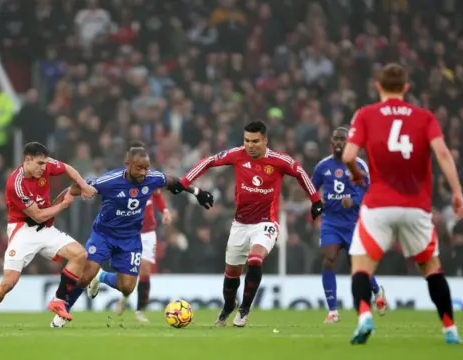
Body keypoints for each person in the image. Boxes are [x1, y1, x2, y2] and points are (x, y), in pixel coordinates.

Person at [343, 63, 463, 344]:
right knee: (431, 268)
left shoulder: (365, 115)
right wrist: (457, 191)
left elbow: (349, 153)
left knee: (361, 267)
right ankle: (450, 329)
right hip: (416, 206)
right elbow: (443, 154)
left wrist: (355, 172)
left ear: (378, 86)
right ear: (406, 88)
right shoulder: (424, 117)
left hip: (379, 205)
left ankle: (364, 316)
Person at [177, 120, 324, 327]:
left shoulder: (279, 160)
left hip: (265, 223)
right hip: (240, 224)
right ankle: (229, 306)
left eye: (255, 141)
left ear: (265, 140)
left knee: (255, 259)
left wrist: (316, 200)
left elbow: (300, 173)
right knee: (231, 275)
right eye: (247, 140)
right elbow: (209, 161)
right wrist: (185, 182)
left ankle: (244, 309)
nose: (250, 145)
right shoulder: (237, 155)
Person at [50, 147, 214, 328]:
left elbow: (175, 182)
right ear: (127, 165)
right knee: (86, 274)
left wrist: (198, 193)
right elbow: (73, 189)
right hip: (103, 234)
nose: (143, 172)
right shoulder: (110, 181)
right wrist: (51, 212)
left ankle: (102, 276)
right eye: (139, 168)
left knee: (127, 287)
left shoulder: (152, 178)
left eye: (146, 168)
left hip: (130, 239)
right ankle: (64, 312)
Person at [0, 142, 97, 329]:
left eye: (45, 163)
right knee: (8, 283)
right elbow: (37, 215)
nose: (44, 168)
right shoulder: (16, 184)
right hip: (23, 231)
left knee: (80, 254)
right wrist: (63, 204)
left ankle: (58, 300)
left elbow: (67, 168)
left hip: (45, 229)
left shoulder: (44, 165)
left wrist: (83, 185)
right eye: (40, 164)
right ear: (27, 160)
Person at [311, 127, 387, 324]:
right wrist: (318, 202)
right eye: (335, 139)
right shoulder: (323, 166)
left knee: (358, 264)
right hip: (331, 222)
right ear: (331, 142)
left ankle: (377, 290)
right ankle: (333, 311)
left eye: (342, 139)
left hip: (353, 222)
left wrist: (352, 200)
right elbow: (312, 188)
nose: (338, 142)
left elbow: (368, 191)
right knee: (328, 259)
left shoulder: (358, 165)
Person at [114, 141, 173, 323]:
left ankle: (140, 311)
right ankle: (124, 296)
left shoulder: (150, 177)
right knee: (129, 273)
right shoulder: (120, 180)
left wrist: (165, 211)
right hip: (129, 232)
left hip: (148, 232)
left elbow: (157, 195)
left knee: (145, 269)